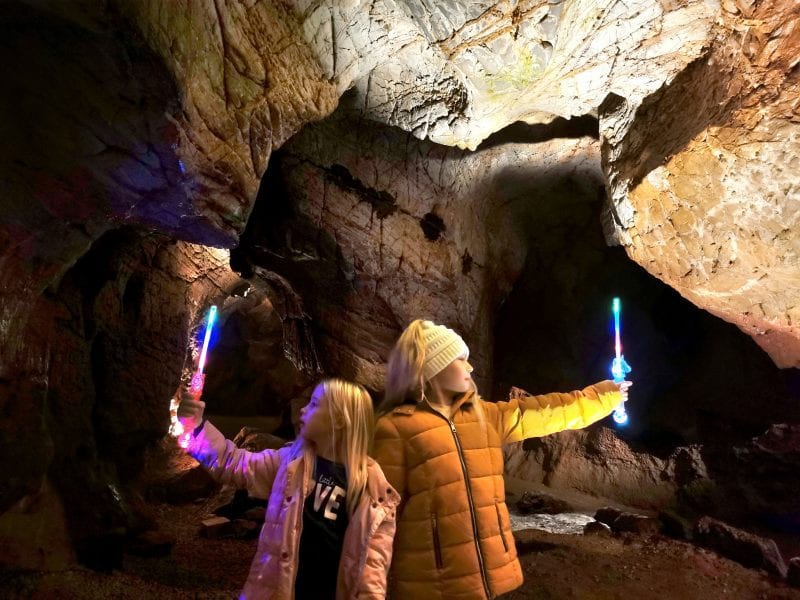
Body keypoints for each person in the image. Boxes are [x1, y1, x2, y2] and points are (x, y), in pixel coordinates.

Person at [373, 319, 632, 599]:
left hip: (485, 579)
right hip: (429, 585)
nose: (470, 367)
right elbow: (378, 517)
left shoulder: (486, 416)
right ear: (432, 370)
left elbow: (549, 412)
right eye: (459, 359)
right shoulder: (395, 429)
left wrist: (606, 396)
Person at [175, 378, 399, 600]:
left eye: (313, 404)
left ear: (338, 420)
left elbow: (373, 569)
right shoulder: (290, 464)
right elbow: (234, 463)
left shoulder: (374, 492)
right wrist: (196, 428)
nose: (302, 409)